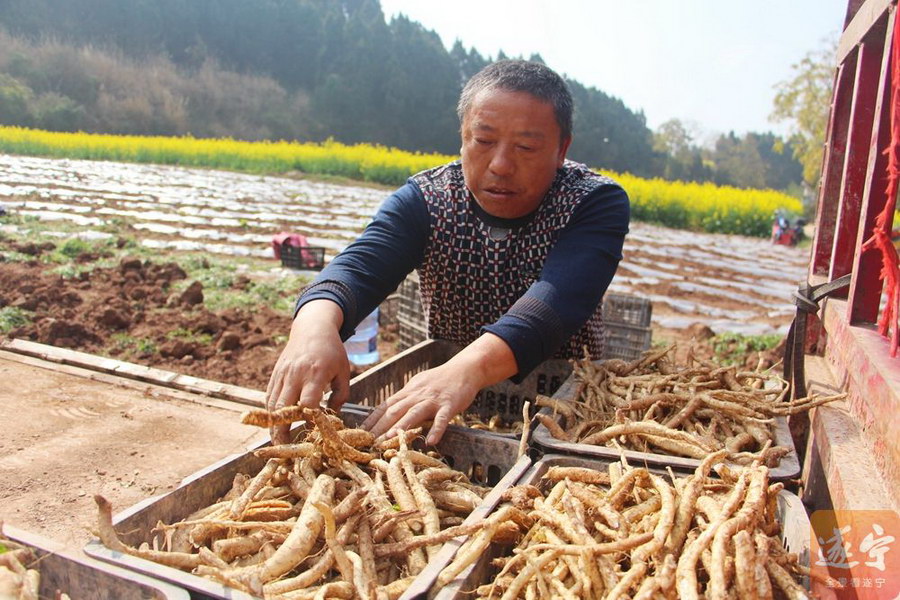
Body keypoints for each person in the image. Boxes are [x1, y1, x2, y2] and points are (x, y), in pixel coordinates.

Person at [266, 59, 630, 445]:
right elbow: (359, 267)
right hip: (443, 399)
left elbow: (556, 301)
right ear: (462, 136)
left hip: (560, 404)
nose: (501, 165)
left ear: (561, 150)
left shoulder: (592, 202)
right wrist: (313, 326)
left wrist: (467, 370)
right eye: (484, 141)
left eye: (526, 147)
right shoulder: (427, 199)